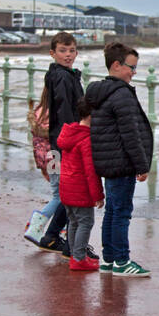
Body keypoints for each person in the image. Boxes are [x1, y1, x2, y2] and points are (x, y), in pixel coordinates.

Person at [85, 43, 153, 276]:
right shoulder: (122, 94)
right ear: (116, 65)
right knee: (121, 211)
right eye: (131, 68)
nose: (134, 73)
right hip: (122, 162)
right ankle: (122, 261)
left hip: (107, 160)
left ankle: (109, 259)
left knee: (112, 211)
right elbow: (130, 134)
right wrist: (142, 165)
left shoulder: (100, 91)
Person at [31, 33, 82, 254]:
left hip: (55, 147)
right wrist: (73, 141)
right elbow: (65, 113)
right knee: (67, 194)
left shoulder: (60, 76)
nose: (68, 55)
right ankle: (37, 230)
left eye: (71, 50)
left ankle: (51, 236)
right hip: (63, 147)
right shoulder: (62, 78)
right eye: (63, 50)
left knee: (61, 194)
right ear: (52, 53)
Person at [56, 96, 103, 271]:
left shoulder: (69, 134)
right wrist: (98, 195)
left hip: (66, 186)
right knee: (85, 222)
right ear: (91, 115)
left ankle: (75, 256)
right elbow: (91, 172)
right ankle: (79, 258)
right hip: (79, 188)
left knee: (73, 222)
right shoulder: (86, 139)